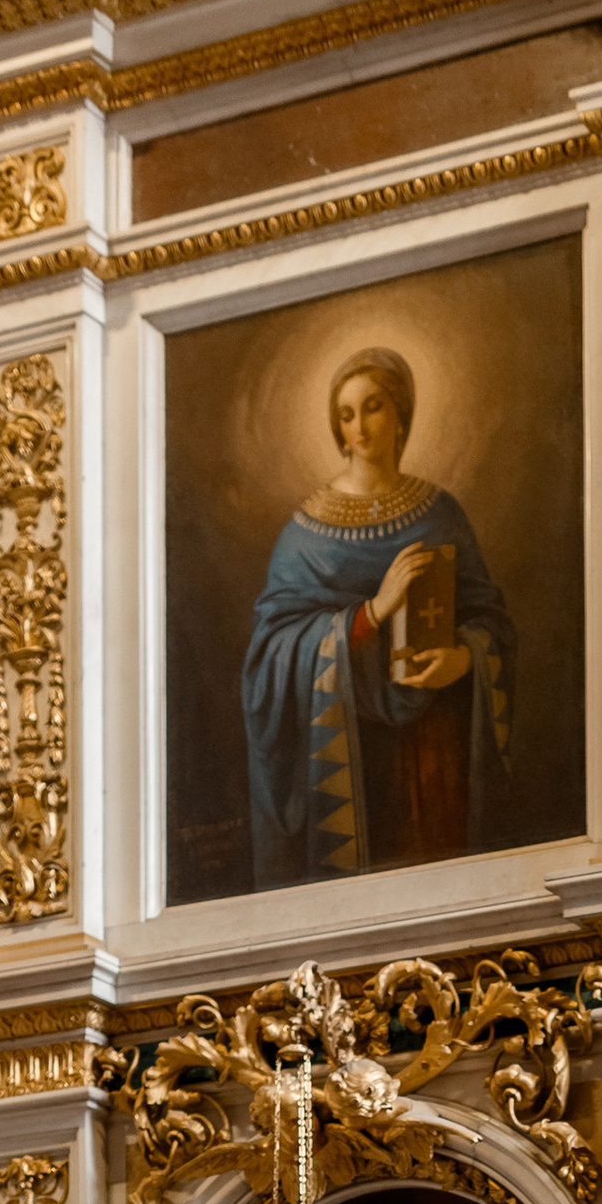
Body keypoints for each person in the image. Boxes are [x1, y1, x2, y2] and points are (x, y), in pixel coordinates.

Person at [243, 345, 516, 888]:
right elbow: (269, 657)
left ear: (401, 415)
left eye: (373, 407)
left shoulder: (442, 513)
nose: (359, 428)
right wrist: (371, 612)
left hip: (435, 744)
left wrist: (463, 660)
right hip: (346, 755)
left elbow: (493, 622)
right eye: (346, 415)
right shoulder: (303, 534)